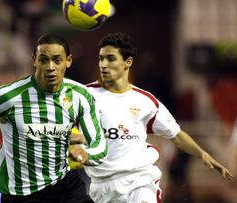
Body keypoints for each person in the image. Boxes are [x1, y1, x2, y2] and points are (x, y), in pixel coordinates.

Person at [70, 32, 234, 203]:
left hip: (139, 182)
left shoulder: (145, 100)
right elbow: (58, 126)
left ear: (128, 62)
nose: (104, 64)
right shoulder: (83, 96)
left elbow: (176, 135)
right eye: (101, 59)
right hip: (102, 186)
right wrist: (74, 140)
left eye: (110, 58)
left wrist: (202, 154)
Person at [0, 34, 107, 203]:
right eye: (44, 60)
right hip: (21, 193)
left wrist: (86, 154)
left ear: (69, 60)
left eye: (57, 60)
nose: (50, 67)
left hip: (65, 186)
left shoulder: (80, 95)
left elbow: (99, 144)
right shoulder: (7, 96)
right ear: (34, 60)